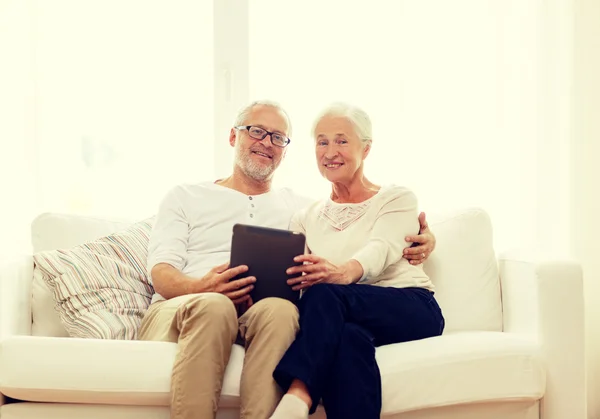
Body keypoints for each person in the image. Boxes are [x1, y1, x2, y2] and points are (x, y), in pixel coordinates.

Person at [138, 100, 436, 419]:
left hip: (258, 313)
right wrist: (203, 285)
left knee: (283, 311)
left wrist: (427, 237)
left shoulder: (297, 209)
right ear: (231, 137)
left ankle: (290, 406)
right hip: (188, 308)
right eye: (256, 131)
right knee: (216, 304)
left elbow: (370, 229)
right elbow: (161, 274)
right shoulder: (186, 195)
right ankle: (297, 396)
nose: (266, 142)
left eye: (278, 137)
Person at [269, 103, 446, 419]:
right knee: (348, 339)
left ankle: (298, 396)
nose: (330, 151)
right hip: (347, 318)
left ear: (366, 149)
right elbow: (299, 275)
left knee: (325, 292)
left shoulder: (395, 198)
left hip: (410, 307)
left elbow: (380, 248)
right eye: (322, 142)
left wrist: (340, 273)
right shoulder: (304, 217)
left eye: (341, 140)